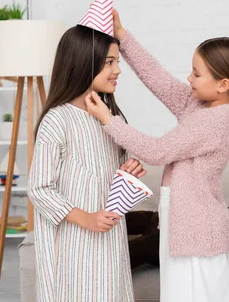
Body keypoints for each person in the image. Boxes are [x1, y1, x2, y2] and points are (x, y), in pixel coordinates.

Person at [85, 10, 229, 302]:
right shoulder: (202, 104)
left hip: (197, 234)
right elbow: (160, 81)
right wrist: (123, 36)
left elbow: (156, 151)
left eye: (197, 74)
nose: (189, 78)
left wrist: (108, 119)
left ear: (222, 84)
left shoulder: (212, 121)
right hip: (185, 227)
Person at [29, 25, 145, 302]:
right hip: (74, 239)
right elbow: (39, 189)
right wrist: (87, 218)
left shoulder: (111, 118)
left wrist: (131, 170)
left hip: (109, 235)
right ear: (83, 64)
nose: (117, 70)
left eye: (117, 62)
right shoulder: (58, 120)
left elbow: (114, 171)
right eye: (109, 62)